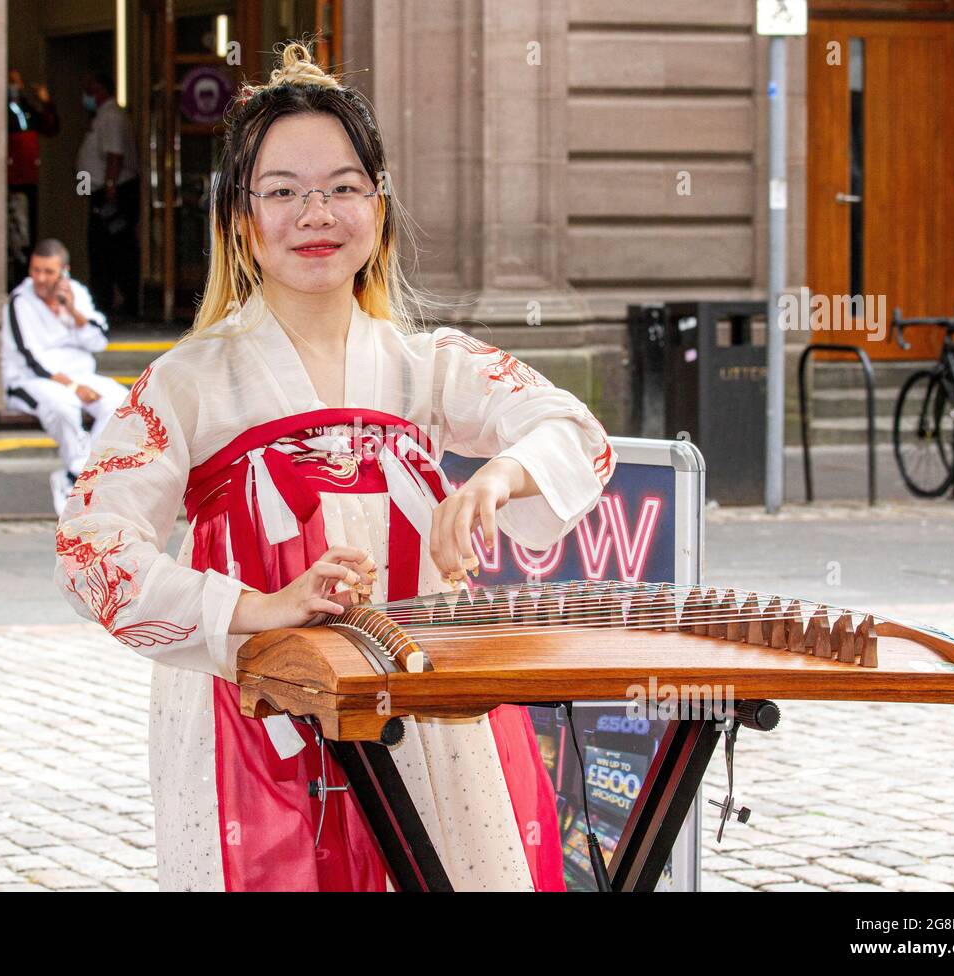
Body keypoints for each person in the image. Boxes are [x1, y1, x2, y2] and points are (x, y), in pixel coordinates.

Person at [54, 43, 618, 891]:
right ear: (241, 219)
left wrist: (498, 479)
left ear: (379, 208)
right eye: (282, 192)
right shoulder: (189, 382)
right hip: (263, 711)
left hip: (427, 706)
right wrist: (256, 606)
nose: (315, 213)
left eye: (343, 187)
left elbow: (571, 430)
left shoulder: (424, 364)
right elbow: (91, 546)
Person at [2, 238, 130, 516]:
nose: (40, 278)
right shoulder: (20, 301)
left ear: (64, 271)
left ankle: (77, 476)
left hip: (81, 375)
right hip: (32, 381)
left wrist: (73, 310)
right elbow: (31, 359)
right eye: (36, 270)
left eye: (48, 272)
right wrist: (73, 387)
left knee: (121, 402)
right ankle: (79, 481)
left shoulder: (77, 293)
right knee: (63, 405)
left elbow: (99, 341)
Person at [76, 71, 140, 319]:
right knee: (103, 249)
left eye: (89, 89)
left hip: (114, 192)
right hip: (106, 191)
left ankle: (119, 302)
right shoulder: (102, 117)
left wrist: (111, 187)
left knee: (113, 249)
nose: (86, 96)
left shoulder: (111, 117)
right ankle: (106, 300)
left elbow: (115, 154)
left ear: (100, 90)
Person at [7, 69, 60, 287]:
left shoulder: (25, 108)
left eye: (18, 81)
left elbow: (50, 127)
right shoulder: (0, 108)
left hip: (27, 182)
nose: (17, 85)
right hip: (10, 184)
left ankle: (24, 282)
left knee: (25, 236)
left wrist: (46, 103)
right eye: (12, 81)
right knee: (14, 238)